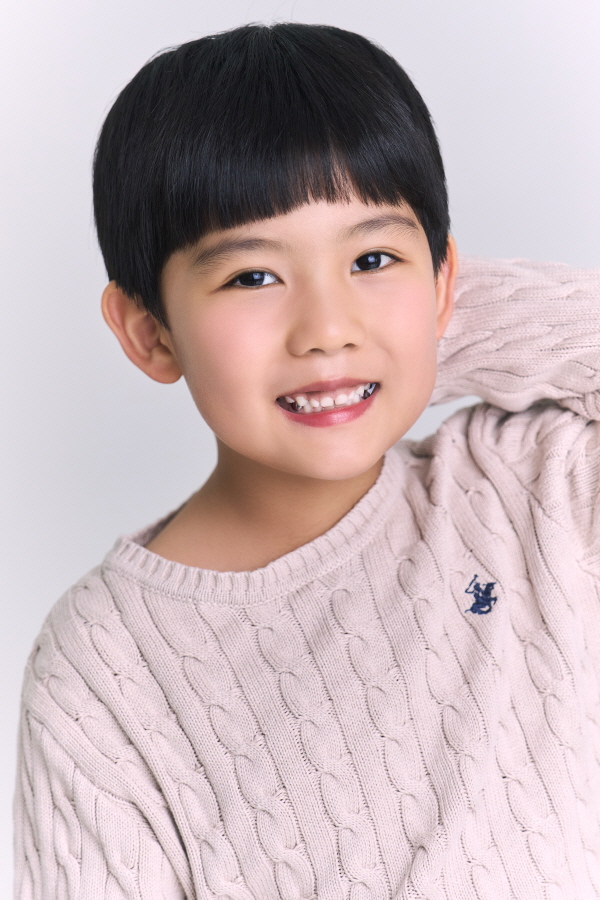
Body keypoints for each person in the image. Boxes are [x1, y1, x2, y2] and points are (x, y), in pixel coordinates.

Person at [14, 22, 600, 900]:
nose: (326, 328)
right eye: (252, 277)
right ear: (149, 331)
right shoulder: (103, 667)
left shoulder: (532, 490)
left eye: (372, 259)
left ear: (444, 281)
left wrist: (425, 331)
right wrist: (390, 320)